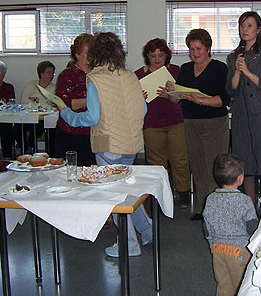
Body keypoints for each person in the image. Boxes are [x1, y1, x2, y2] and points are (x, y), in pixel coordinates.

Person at [59, 32, 151, 258]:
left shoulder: (96, 79)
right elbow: (144, 109)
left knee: (115, 198)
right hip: (131, 143)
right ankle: (147, 231)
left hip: (107, 144)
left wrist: (68, 115)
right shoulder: (130, 76)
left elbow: (91, 118)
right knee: (127, 193)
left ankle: (129, 245)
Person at [165, 29, 230, 220]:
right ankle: (202, 208)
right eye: (191, 49)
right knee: (198, 166)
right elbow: (176, 101)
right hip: (191, 122)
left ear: (208, 48)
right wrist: (171, 92)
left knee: (214, 167)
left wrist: (199, 100)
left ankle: (216, 210)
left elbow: (223, 100)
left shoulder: (219, 68)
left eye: (198, 48)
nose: (195, 53)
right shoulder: (185, 69)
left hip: (214, 122)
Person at [227, 11, 261, 207]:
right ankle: (250, 207)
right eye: (242, 25)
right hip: (240, 115)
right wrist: (239, 72)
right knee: (245, 164)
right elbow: (230, 89)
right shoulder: (233, 57)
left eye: (249, 25)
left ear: (258, 30)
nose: (244, 29)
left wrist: (247, 71)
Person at [135, 38, 191, 209]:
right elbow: (133, 103)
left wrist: (169, 95)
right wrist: (140, 99)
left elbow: (182, 98)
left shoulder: (175, 71)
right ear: (148, 56)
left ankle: (183, 194)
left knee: (180, 159)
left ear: (167, 55)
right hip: (151, 123)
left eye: (161, 55)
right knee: (156, 163)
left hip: (175, 121)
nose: (157, 59)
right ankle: (159, 196)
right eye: (153, 56)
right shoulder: (138, 75)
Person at [203, 154, 258, 296]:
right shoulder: (244, 201)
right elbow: (252, 227)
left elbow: (206, 226)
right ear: (240, 178)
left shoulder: (210, 199)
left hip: (218, 249)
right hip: (239, 251)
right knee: (241, 285)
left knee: (223, 283)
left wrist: (211, 244)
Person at [55, 33, 95, 166]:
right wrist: (95, 101)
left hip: (94, 131)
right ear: (77, 54)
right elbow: (65, 104)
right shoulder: (67, 75)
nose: (91, 56)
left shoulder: (99, 73)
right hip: (71, 132)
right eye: (88, 53)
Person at [15, 61, 56, 154]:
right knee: (17, 128)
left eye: (53, 73)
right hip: (28, 115)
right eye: (49, 72)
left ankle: (30, 145)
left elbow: (52, 103)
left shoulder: (54, 88)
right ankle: (26, 148)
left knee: (40, 128)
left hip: (43, 118)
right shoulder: (31, 85)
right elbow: (24, 101)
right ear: (41, 73)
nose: (52, 75)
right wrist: (43, 101)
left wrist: (36, 100)